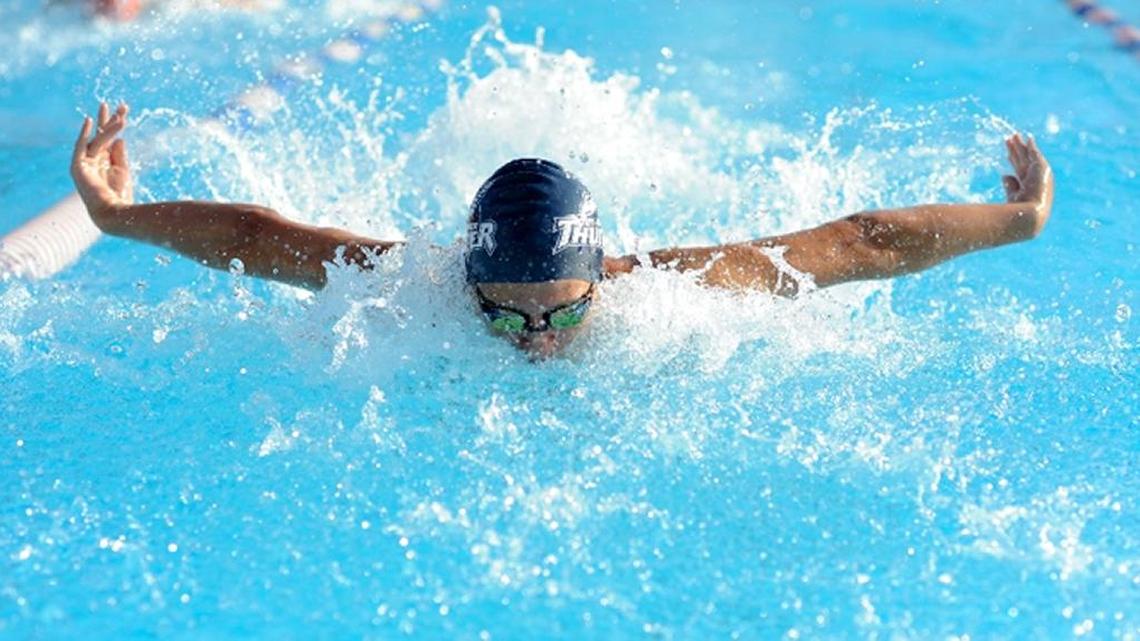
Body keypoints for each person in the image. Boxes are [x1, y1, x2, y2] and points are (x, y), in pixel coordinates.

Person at [70, 102, 1055, 359]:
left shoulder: (664, 288)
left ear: (603, 274)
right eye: (504, 318)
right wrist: (116, 218)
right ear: (470, 281)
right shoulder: (418, 285)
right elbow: (262, 235)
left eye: (559, 313)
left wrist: (1020, 220)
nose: (536, 340)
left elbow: (861, 242)